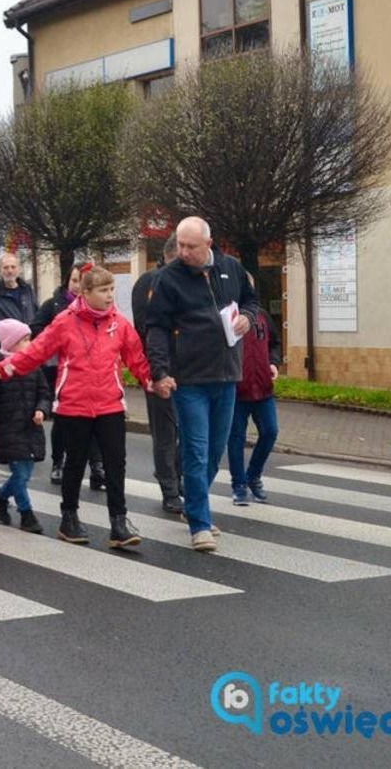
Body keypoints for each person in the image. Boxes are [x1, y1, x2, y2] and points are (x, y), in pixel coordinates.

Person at [0, 266, 151, 548]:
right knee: (75, 463)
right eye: (103, 290)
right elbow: (36, 351)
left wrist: (152, 380)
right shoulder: (65, 321)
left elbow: (135, 356)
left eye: (112, 290)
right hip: (74, 405)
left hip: (110, 404)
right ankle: (69, 518)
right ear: (85, 292)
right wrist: (6, 369)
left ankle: (119, 523)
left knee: (116, 464)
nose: (109, 296)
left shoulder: (119, 323)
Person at [146, 217, 260, 553]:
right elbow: (156, 328)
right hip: (190, 378)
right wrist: (160, 371)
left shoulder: (232, 268)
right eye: (180, 245)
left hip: (226, 376)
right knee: (196, 450)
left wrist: (248, 319)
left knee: (214, 450)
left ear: (208, 244)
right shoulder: (168, 278)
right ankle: (199, 522)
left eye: (191, 246)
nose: (183, 252)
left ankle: (195, 503)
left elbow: (252, 301)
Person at [33, 262, 104, 490]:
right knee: (62, 420)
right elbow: (35, 328)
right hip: (60, 371)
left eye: (81, 281)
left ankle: (96, 467)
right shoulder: (54, 305)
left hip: (90, 372)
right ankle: (58, 463)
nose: (76, 285)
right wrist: (56, 338)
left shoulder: (97, 306)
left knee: (94, 419)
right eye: (73, 280)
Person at [131, 235, 184, 513]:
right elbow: (147, 329)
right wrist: (156, 371)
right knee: (164, 433)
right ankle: (169, 488)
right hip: (159, 367)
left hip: (191, 368)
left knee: (188, 431)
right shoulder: (148, 283)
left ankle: (177, 475)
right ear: (173, 254)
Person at [0, 320, 50, 533]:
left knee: (25, 473)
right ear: (10, 344)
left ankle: (0, 497)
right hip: (9, 428)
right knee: (20, 474)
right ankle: (26, 514)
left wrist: (42, 409)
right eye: (25, 340)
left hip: (31, 428)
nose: (29, 343)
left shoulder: (33, 365)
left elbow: (44, 393)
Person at [228, 279, 281, 506]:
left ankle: (254, 476)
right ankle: (239, 485)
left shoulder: (261, 315)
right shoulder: (226, 315)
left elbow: (275, 343)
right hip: (237, 390)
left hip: (263, 388)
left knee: (270, 432)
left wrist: (274, 362)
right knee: (236, 439)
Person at [0, 252, 38, 350]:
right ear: (0, 271)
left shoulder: (27, 290)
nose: (10, 271)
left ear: (19, 269)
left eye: (13, 267)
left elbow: (37, 318)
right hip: (6, 351)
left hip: (29, 348)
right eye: (6, 267)